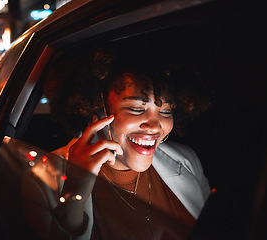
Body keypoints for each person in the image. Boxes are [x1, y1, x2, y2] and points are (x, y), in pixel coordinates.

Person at [22, 43, 212, 240]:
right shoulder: (42, 178)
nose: (155, 126)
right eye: (137, 109)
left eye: (166, 111)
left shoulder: (186, 159)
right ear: (97, 106)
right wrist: (75, 191)